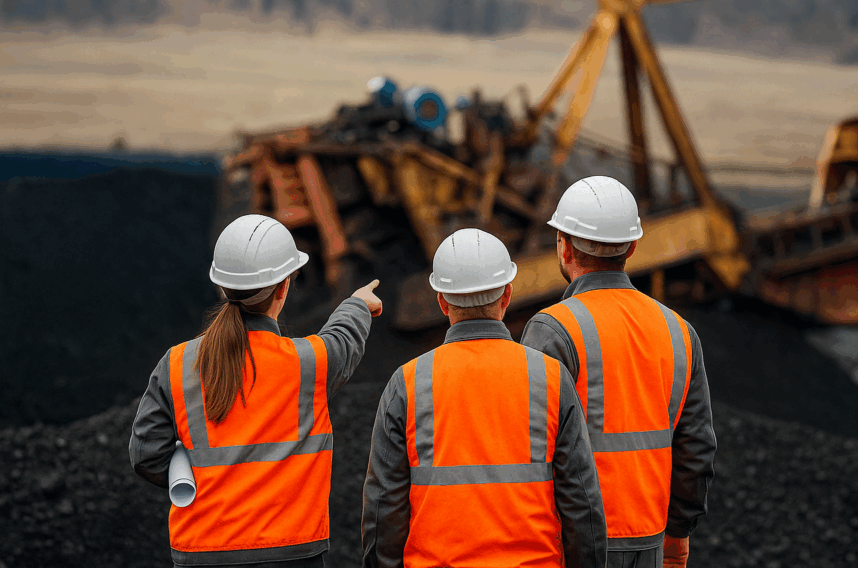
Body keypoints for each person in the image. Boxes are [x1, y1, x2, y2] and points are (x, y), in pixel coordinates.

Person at [129, 214, 382, 567]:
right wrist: (358, 304)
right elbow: (342, 339)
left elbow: (146, 454)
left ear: (221, 286)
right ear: (284, 288)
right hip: (291, 553)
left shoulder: (176, 364)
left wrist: (198, 474)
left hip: (203, 552)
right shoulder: (309, 363)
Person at [361, 228, 607, 568]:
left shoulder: (408, 383)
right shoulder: (551, 378)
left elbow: (383, 506)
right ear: (507, 295)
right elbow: (581, 499)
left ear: (442, 301)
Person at [520, 176, 717, 568]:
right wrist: (677, 534)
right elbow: (697, 450)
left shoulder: (552, 330)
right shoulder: (678, 330)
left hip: (569, 546)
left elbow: (527, 452)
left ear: (563, 246)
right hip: (650, 541)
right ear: (633, 246)